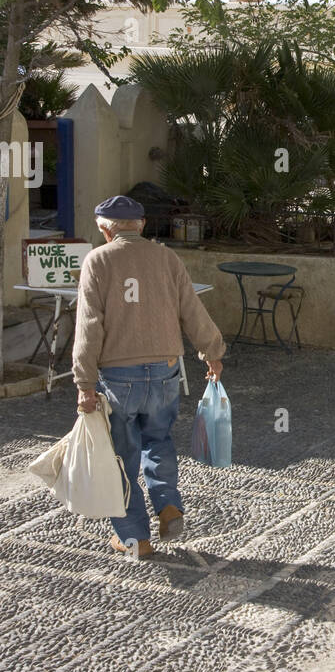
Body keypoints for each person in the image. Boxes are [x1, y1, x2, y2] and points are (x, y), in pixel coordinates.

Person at [72, 195, 225, 557]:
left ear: (104, 228)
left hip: (118, 376)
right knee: (158, 439)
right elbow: (192, 309)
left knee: (120, 457)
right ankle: (169, 505)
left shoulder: (97, 260)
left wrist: (84, 384)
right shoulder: (166, 257)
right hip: (165, 370)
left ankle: (134, 538)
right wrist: (213, 353)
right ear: (140, 225)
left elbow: (89, 326)